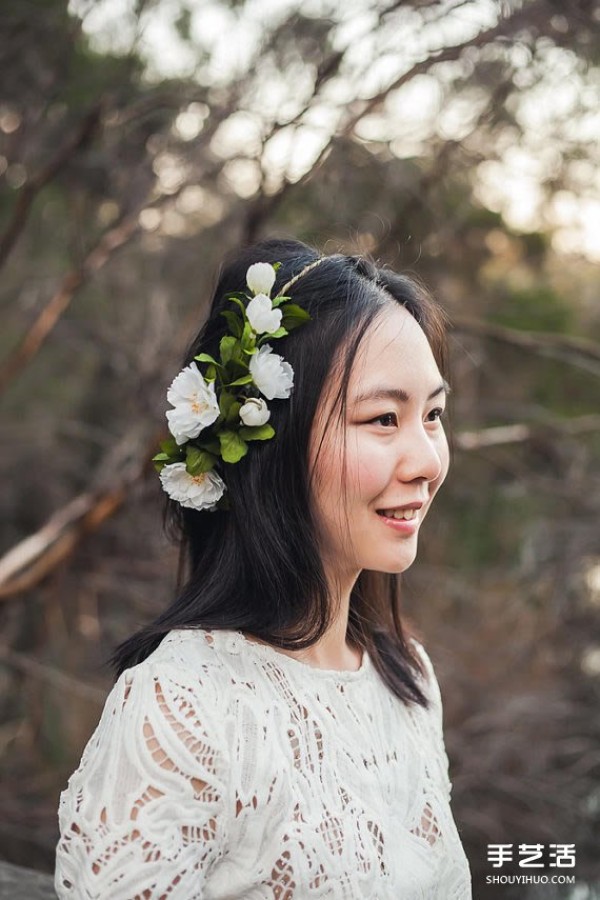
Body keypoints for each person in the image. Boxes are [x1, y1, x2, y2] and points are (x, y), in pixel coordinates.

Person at [54, 238, 472, 899]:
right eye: (383, 418)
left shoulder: (408, 679)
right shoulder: (184, 704)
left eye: (434, 415)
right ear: (273, 444)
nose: (425, 460)